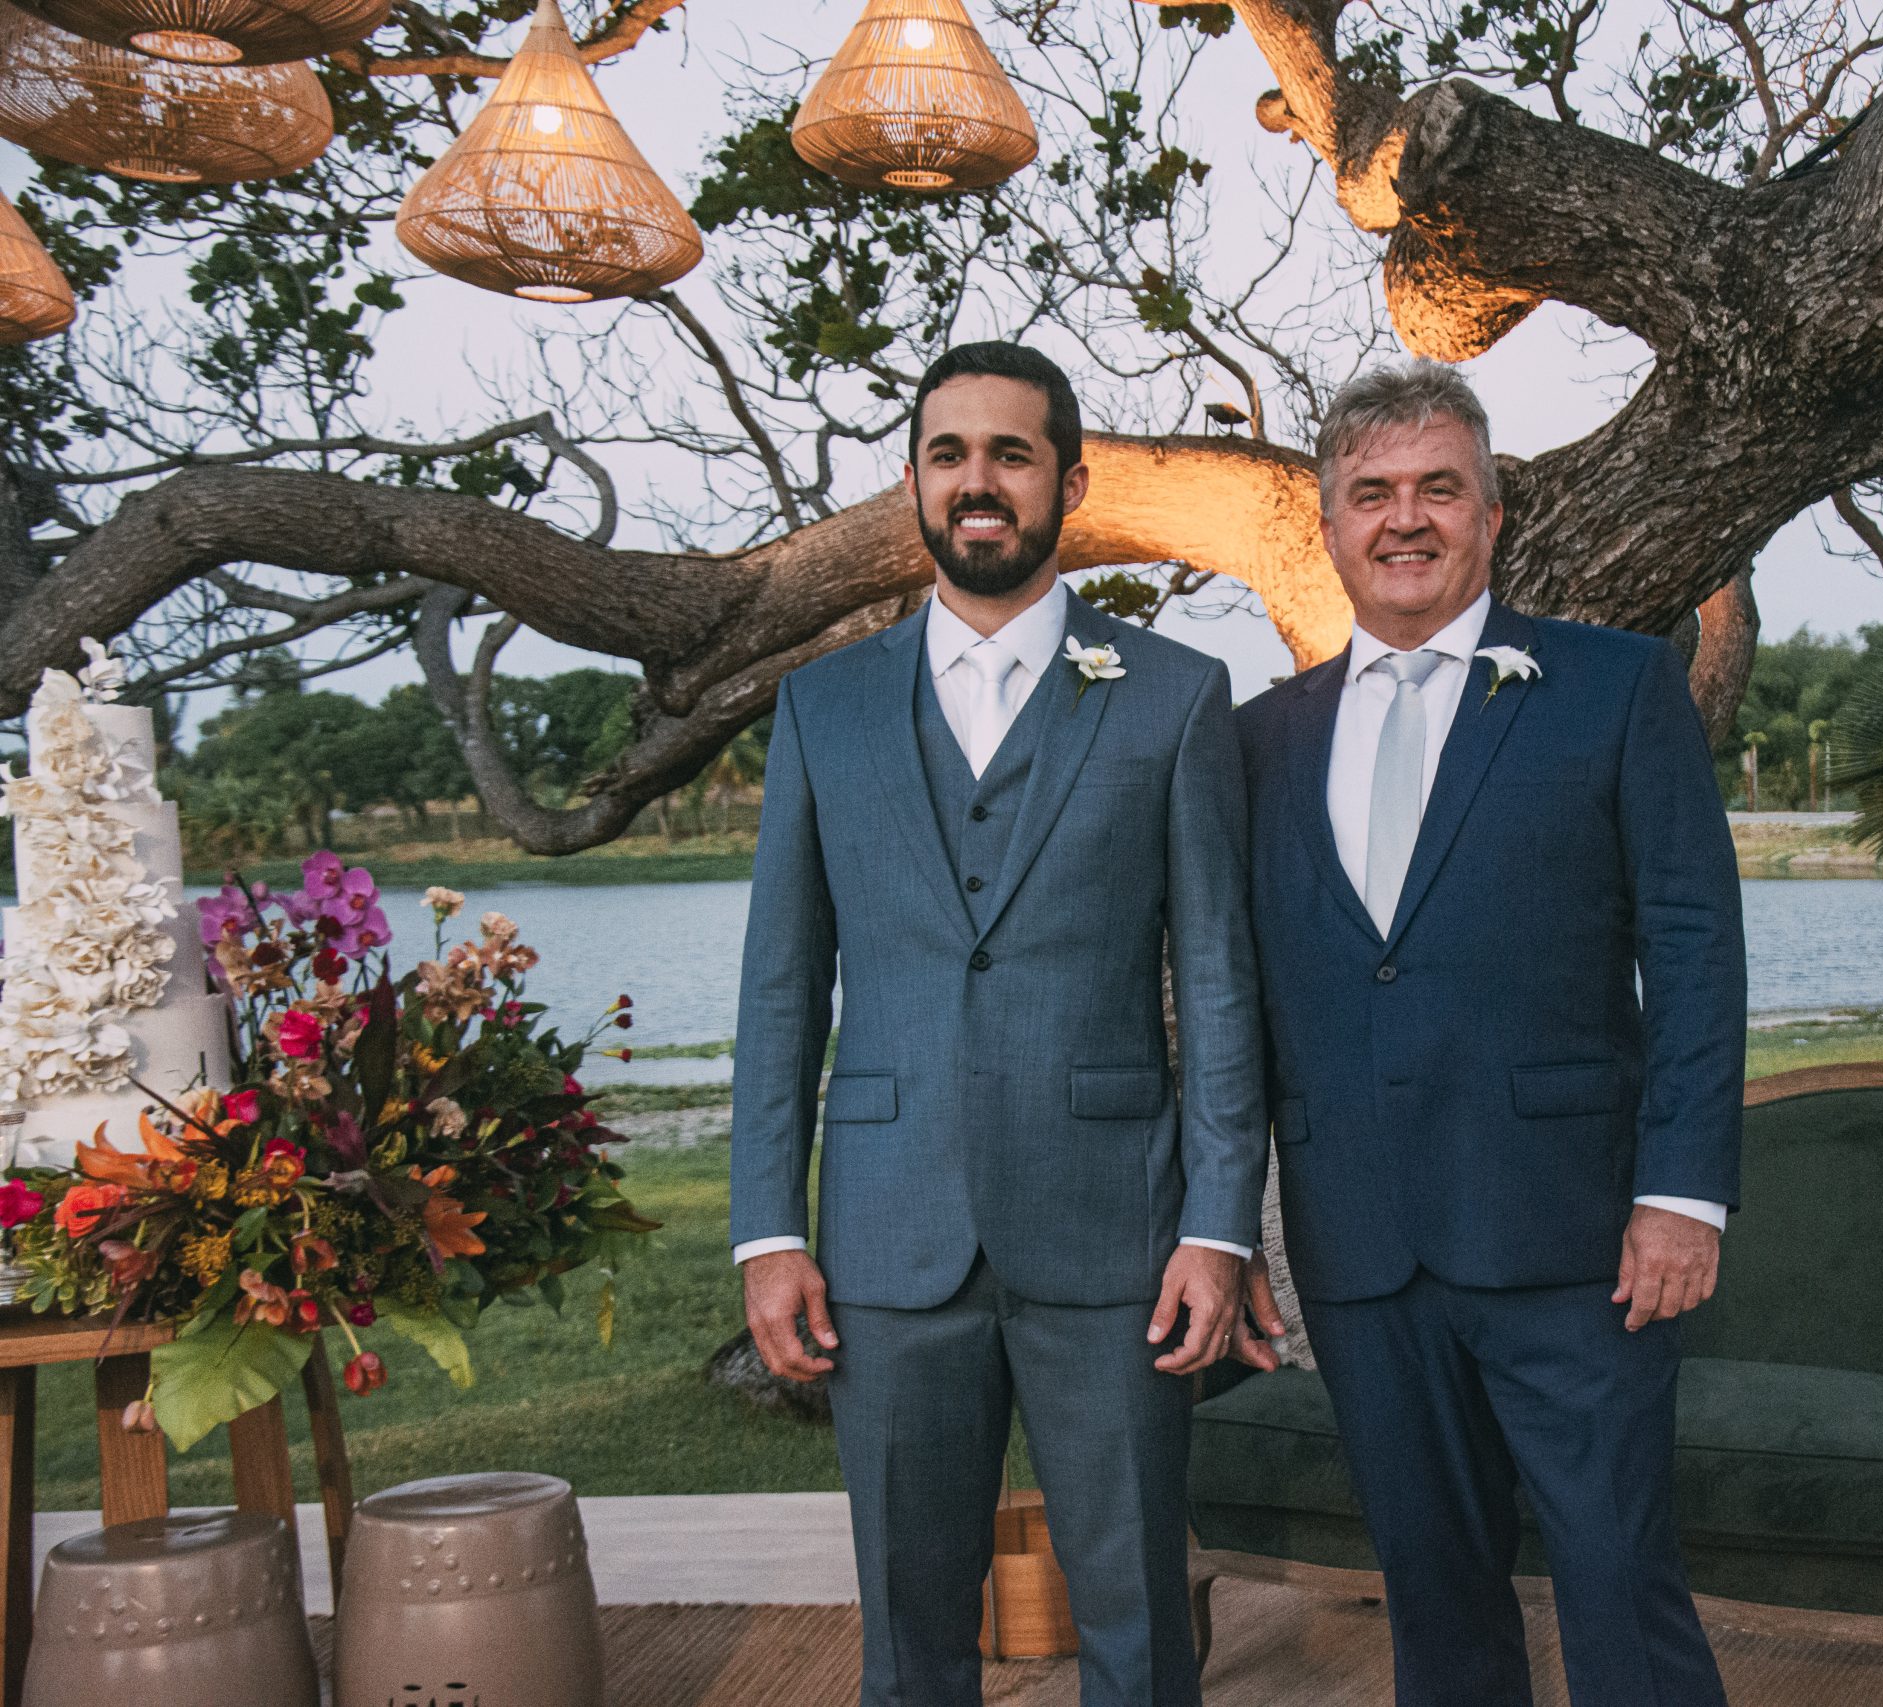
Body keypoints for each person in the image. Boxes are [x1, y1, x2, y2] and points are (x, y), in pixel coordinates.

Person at [728, 340, 1265, 1707]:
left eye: (1011, 454)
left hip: (1118, 1235)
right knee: (910, 1638)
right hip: (885, 1236)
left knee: (1140, 1624)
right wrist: (768, 1232)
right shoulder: (823, 707)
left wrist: (1218, 1227)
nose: (979, 481)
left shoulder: (1173, 694)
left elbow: (1218, 982)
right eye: (949, 454)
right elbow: (782, 989)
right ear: (915, 482)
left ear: (1068, 484)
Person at [1230, 359, 1744, 1705]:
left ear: (1493, 514)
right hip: (1360, 1250)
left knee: (1621, 1591)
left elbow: (1696, 953)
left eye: (1439, 489)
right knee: (1437, 1610)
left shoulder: (1618, 687)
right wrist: (1229, 1228)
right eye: (1371, 493)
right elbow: (1241, 1004)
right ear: (1330, 526)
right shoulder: (1259, 742)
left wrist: (1683, 1194)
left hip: (1578, 1242)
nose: (1405, 518)